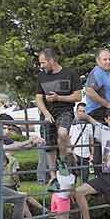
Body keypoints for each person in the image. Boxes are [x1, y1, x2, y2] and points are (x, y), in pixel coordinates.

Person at [34, 48, 81, 179]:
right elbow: (38, 98)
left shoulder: (70, 73)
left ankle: (62, 161)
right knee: (49, 146)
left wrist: (58, 98)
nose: (41, 66)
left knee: (62, 133)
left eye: (43, 63)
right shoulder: (41, 76)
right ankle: (53, 176)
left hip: (65, 111)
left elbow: (78, 97)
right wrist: (46, 113)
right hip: (47, 114)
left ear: (52, 60)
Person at [83, 49, 110, 125]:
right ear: (97, 61)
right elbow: (89, 92)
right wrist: (107, 104)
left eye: (109, 59)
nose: (108, 62)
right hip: (97, 112)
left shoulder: (106, 73)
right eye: (105, 59)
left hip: (106, 111)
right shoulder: (97, 72)